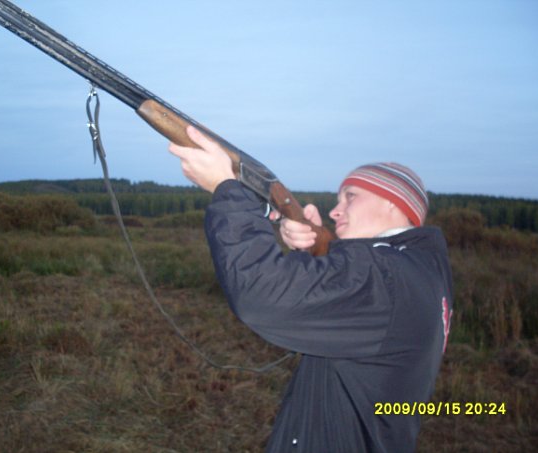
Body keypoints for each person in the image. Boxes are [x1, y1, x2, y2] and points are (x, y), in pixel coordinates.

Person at [169, 126, 453, 452]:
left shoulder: (386, 276)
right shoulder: (420, 272)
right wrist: (319, 251)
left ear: (393, 203)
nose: (335, 211)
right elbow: (363, 320)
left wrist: (228, 189)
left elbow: (260, 294)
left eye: (351, 196)